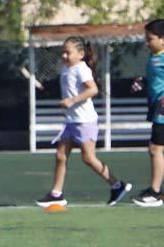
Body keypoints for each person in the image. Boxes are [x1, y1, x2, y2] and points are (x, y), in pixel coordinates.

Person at [35, 37, 131, 207]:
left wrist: (72, 101)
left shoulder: (82, 69)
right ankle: (56, 194)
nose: (64, 55)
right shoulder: (66, 68)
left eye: (68, 52)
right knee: (60, 155)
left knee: (88, 158)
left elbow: (93, 89)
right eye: (63, 52)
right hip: (71, 122)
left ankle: (117, 185)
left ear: (81, 54)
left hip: (84, 122)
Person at [132, 19, 164, 207]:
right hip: (157, 110)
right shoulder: (155, 57)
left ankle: (155, 192)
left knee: (155, 149)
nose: (146, 43)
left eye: (150, 39)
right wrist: (143, 81)